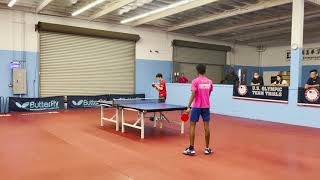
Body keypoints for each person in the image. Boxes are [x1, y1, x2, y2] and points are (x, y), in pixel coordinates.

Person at [183, 64, 213, 156]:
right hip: (206, 107)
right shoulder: (210, 82)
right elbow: (208, 94)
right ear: (205, 71)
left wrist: (188, 106)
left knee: (192, 126)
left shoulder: (195, 81)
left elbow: (193, 94)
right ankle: (207, 149)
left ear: (197, 71)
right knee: (206, 127)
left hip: (196, 107)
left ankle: (191, 149)